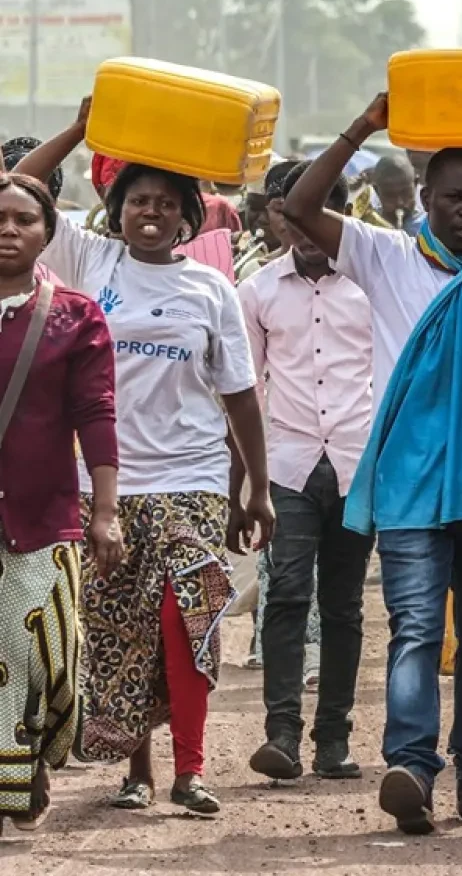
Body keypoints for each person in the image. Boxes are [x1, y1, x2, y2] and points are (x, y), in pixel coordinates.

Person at [279, 94, 462, 834]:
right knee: (414, 631)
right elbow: (300, 203)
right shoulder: (386, 254)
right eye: (455, 197)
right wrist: (364, 127)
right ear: (425, 199)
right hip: (409, 480)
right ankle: (410, 767)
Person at [17, 100, 275, 817]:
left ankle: (190, 771)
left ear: (188, 217)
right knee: (114, 631)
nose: (151, 214)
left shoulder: (211, 288)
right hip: (104, 485)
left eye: (166, 204)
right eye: (138, 202)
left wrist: (257, 486)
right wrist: (79, 130)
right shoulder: (89, 259)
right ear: (116, 209)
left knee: (185, 619)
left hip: (192, 480)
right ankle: (138, 771)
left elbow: (241, 396)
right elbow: (17, 190)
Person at [238, 161, 375, 782]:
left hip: (357, 462)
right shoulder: (259, 291)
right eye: (289, 217)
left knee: (344, 605)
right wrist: (246, 484)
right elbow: (243, 390)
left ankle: (334, 739)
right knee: (287, 596)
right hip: (290, 465)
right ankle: (282, 735)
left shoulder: (372, 286)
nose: (303, 231)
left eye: (312, 216)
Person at [0, 172, 121, 834]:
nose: (9, 230)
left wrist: (104, 510)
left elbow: (96, 413)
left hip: (43, 513)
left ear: (48, 233)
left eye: (24, 219)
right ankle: (8, 780)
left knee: (39, 654)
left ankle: (34, 753)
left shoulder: (76, 316)